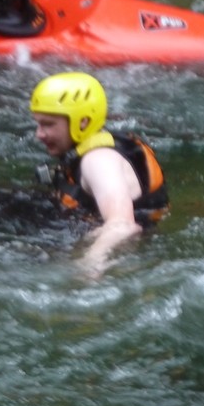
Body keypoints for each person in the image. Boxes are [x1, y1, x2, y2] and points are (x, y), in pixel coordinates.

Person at [30, 72, 169, 278]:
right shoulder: (96, 149)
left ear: (83, 122)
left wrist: (90, 263)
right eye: (38, 124)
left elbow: (122, 225)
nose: (39, 134)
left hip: (121, 254)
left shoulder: (99, 160)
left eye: (49, 125)